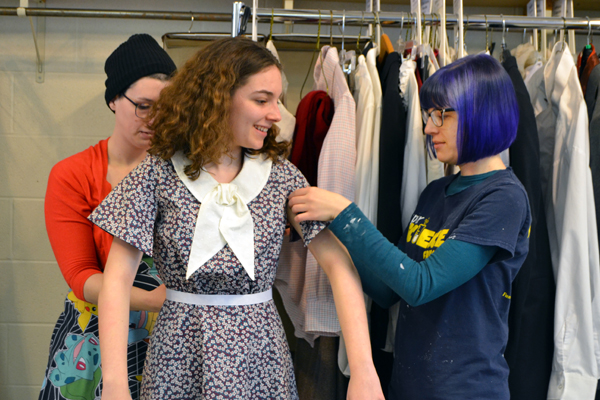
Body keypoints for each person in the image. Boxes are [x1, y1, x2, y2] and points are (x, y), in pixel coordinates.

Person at [89, 37, 383, 400]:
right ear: (217, 97)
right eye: (262, 100)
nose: (276, 114)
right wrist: (115, 384)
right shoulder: (156, 173)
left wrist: (364, 372)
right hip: (178, 359)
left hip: (261, 361)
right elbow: (116, 282)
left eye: (276, 100)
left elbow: (339, 267)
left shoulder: (282, 178)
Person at [289, 54, 531, 400]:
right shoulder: (436, 192)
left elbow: (421, 284)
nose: (428, 127)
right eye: (428, 115)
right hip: (411, 385)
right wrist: (333, 232)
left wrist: (345, 214)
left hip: (467, 390)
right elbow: (391, 290)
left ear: (481, 113)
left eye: (441, 115)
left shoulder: (504, 198)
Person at [40, 34, 176, 400]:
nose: (155, 119)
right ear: (114, 99)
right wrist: (160, 300)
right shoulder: (73, 174)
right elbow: (81, 276)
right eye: (144, 106)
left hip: (172, 337)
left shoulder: (186, 172)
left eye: (167, 107)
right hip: (95, 340)